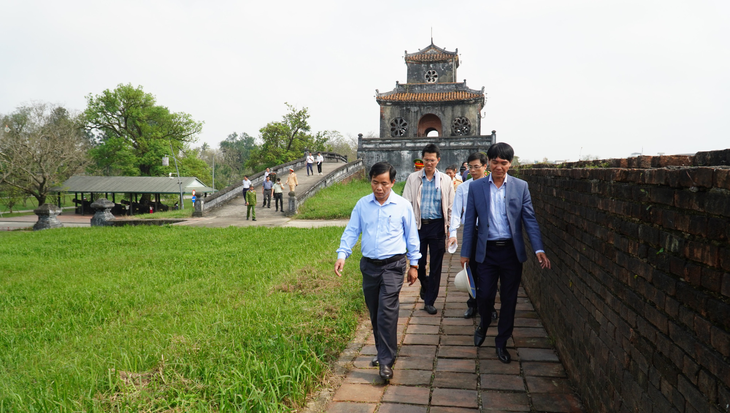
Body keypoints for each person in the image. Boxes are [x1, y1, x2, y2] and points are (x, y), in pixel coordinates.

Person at [460, 142, 551, 364]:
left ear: (510, 164)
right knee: (485, 295)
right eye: (495, 162)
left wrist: (538, 248)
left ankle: (501, 342)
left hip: (511, 252)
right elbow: (470, 221)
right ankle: (483, 322)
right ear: (488, 163)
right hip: (487, 252)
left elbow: (529, 219)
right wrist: (465, 253)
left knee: (509, 300)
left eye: (504, 162)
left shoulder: (521, 187)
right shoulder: (477, 187)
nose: (499, 166)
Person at [335, 161, 421, 381]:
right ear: (371, 182)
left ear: (393, 182)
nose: (379, 188)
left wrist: (414, 265)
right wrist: (342, 255)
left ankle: (385, 362)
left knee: (387, 311)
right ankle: (384, 351)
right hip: (369, 266)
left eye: (384, 183)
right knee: (375, 312)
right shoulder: (362, 205)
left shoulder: (402, 206)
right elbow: (352, 231)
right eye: (375, 183)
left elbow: (412, 236)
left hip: (393, 266)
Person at [403, 144, 454, 315]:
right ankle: (426, 287)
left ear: (438, 160)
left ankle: (430, 300)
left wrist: (450, 230)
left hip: (438, 226)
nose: (429, 163)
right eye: (426, 160)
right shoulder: (413, 178)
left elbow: (450, 207)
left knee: (436, 265)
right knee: (419, 263)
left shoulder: (445, 180)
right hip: (418, 226)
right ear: (422, 159)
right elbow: (407, 203)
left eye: (432, 160)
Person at [448, 152, 497, 320]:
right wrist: (453, 233)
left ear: (485, 166)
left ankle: (489, 306)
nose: (473, 170)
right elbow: (456, 212)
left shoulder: (494, 184)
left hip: (490, 233)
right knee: (471, 268)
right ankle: (472, 304)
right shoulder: (464, 187)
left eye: (477, 167)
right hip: (472, 232)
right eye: (470, 167)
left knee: (490, 271)